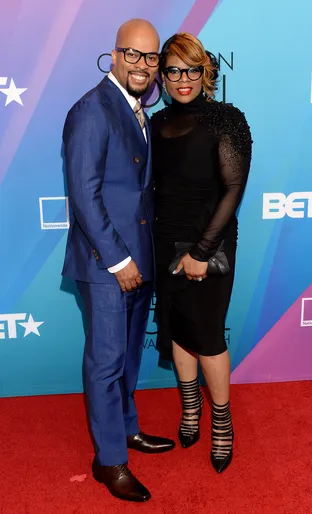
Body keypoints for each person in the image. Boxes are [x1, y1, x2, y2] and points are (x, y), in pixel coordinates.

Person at [62, 19, 175, 503]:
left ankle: (126, 431)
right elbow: (84, 197)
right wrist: (119, 260)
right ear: (114, 54)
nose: (143, 66)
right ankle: (109, 461)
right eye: (133, 54)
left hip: (139, 262)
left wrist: (143, 261)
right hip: (108, 264)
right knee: (107, 363)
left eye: (151, 58)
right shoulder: (92, 110)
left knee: (127, 358)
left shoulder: (137, 109)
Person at [151, 33, 252, 473]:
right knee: (176, 331)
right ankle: (191, 409)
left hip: (208, 245)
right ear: (163, 76)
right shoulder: (154, 123)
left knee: (208, 336)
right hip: (163, 243)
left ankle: (222, 424)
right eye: (174, 70)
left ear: (205, 70)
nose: (183, 79)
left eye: (192, 69)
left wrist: (200, 251)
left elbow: (233, 189)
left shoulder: (226, 119)